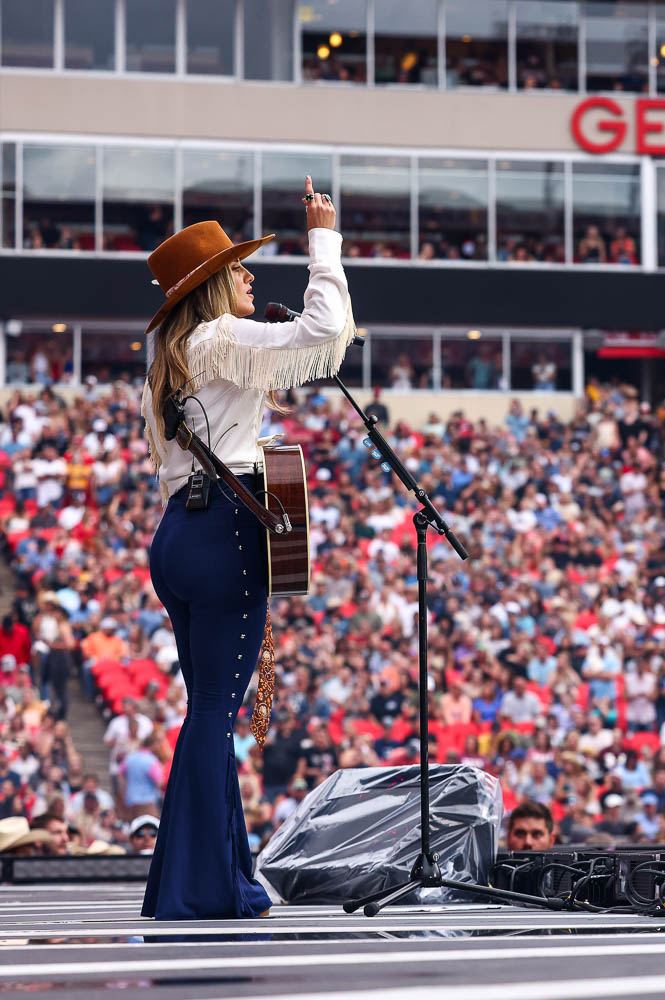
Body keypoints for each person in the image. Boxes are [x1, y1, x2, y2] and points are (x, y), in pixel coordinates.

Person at [139, 177, 356, 920]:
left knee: (207, 710)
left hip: (176, 535)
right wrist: (321, 238)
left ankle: (212, 876)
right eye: (238, 268)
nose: (251, 274)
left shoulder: (170, 353)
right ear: (210, 287)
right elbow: (326, 330)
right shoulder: (222, 338)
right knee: (212, 716)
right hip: (222, 536)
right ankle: (202, 887)